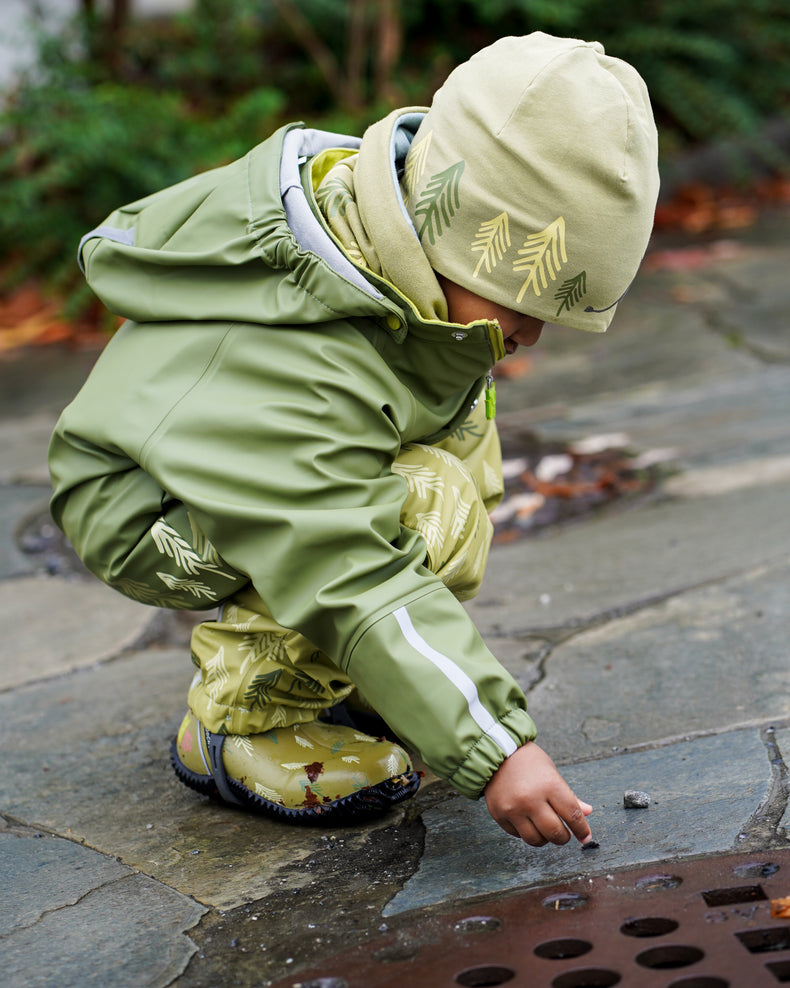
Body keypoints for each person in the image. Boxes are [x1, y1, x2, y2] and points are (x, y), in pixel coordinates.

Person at [48, 33, 659, 847]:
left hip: (257, 472)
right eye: (524, 308)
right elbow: (339, 552)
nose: (533, 338)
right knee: (414, 505)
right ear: (467, 229)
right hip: (144, 503)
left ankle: (355, 678)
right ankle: (240, 726)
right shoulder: (303, 356)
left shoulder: (396, 264)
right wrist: (497, 749)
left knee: (452, 460)